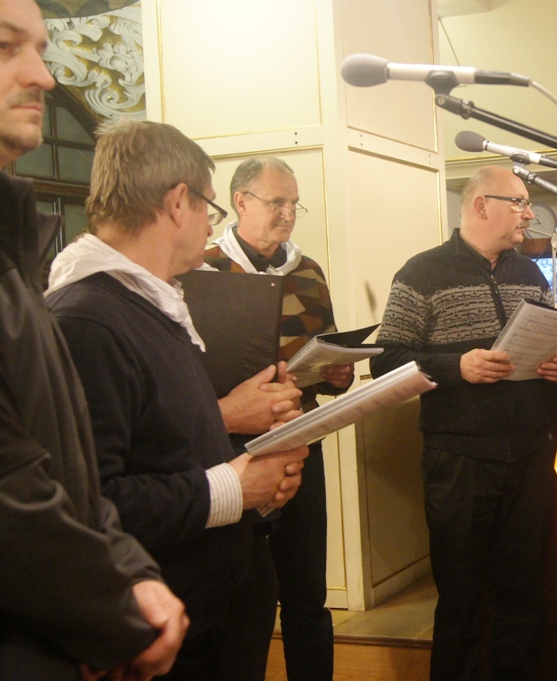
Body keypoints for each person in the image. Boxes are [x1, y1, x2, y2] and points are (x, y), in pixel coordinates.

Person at [45, 118, 309, 681]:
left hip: (212, 599)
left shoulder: (149, 300)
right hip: (164, 619)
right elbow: (91, 502)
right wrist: (234, 488)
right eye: (210, 208)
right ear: (176, 202)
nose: (211, 224)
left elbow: (167, 446)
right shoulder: (87, 318)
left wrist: (259, 485)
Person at [0, 1, 188, 679]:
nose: (44, 77)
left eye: (41, 49)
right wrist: (115, 613)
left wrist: (129, 570)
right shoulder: (88, 308)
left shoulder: (13, 256)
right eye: (5, 47)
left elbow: (62, 463)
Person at [370, 165, 557, 681]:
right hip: (459, 457)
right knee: (460, 600)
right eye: (519, 202)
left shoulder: (530, 274)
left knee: (523, 594)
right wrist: (455, 367)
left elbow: (549, 340)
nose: (528, 214)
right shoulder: (422, 273)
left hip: (529, 451)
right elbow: (385, 361)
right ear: (482, 205)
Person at [203, 156, 354, 681]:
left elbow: (325, 353)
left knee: (306, 593)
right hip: (232, 452)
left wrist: (338, 374)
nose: (288, 213)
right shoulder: (202, 270)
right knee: (244, 595)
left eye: (294, 204)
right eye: (277, 202)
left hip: (300, 443)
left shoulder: (307, 271)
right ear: (241, 202)